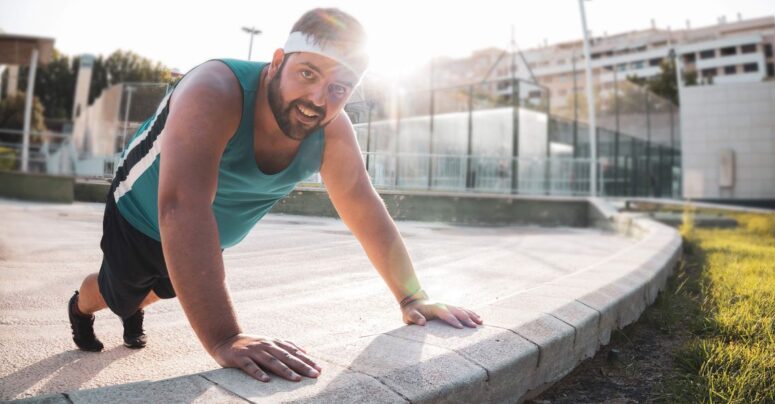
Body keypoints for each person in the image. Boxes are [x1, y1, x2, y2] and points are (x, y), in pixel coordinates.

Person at [67, 8, 483, 383]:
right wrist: (225, 338)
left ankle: (136, 302)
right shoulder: (214, 89)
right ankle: (81, 308)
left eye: (339, 88)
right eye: (308, 74)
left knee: (171, 285)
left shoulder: (333, 133)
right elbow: (181, 207)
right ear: (278, 61)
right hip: (142, 213)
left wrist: (412, 296)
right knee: (121, 293)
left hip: (205, 237)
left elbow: (362, 205)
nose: (318, 100)